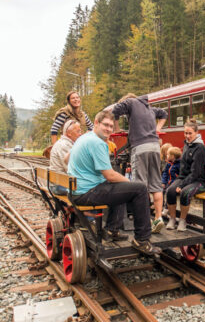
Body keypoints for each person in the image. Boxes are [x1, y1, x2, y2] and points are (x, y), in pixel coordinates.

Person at [68, 110, 161, 254]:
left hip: (78, 189)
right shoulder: (97, 142)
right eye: (105, 125)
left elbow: (66, 159)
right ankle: (142, 240)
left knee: (122, 188)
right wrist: (130, 183)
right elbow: (110, 175)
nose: (109, 129)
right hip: (86, 192)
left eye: (111, 126)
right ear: (96, 123)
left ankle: (111, 230)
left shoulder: (84, 137)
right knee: (140, 189)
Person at [111, 93, 168, 232]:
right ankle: (158, 218)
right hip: (155, 146)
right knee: (155, 183)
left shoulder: (130, 102)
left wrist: (117, 129)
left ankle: (144, 220)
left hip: (140, 148)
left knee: (140, 185)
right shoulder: (149, 108)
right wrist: (158, 129)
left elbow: (114, 111)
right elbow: (164, 114)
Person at [166, 119, 205, 231]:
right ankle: (172, 219)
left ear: (196, 133)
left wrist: (182, 185)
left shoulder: (200, 148)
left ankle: (182, 221)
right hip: (185, 178)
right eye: (186, 133)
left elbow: (195, 173)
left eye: (190, 133)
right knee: (170, 191)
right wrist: (179, 183)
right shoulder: (187, 145)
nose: (187, 136)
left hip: (198, 181)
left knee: (185, 192)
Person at [49, 120, 82, 195]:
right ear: (69, 133)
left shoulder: (65, 143)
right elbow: (71, 169)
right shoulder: (65, 145)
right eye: (78, 131)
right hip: (60, 185)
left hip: (59, 182)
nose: (81, 134)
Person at [160, 146, 181, 219]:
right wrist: (163, 182)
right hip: (168, 182)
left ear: (172, 156)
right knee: (161, 190)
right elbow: (165, 173)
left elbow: (181, 175)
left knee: (169, 193)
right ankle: (162, 207)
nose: (167, 156)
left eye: (168, 155)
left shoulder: (179, 165)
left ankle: (166, 210)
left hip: (174, 183)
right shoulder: (169, 164)